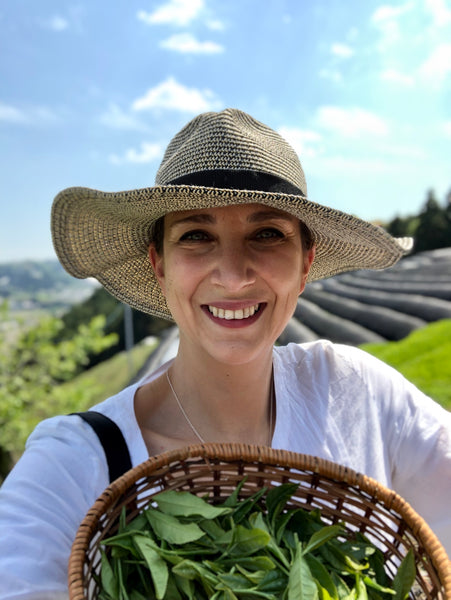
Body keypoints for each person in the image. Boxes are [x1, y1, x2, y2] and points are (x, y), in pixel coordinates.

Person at [0, 108, 450, 599]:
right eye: (196, 235)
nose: (233, 275)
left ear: (305, 263)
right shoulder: (72, 465)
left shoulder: (355, 392)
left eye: (267, 234)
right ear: (160, 265)